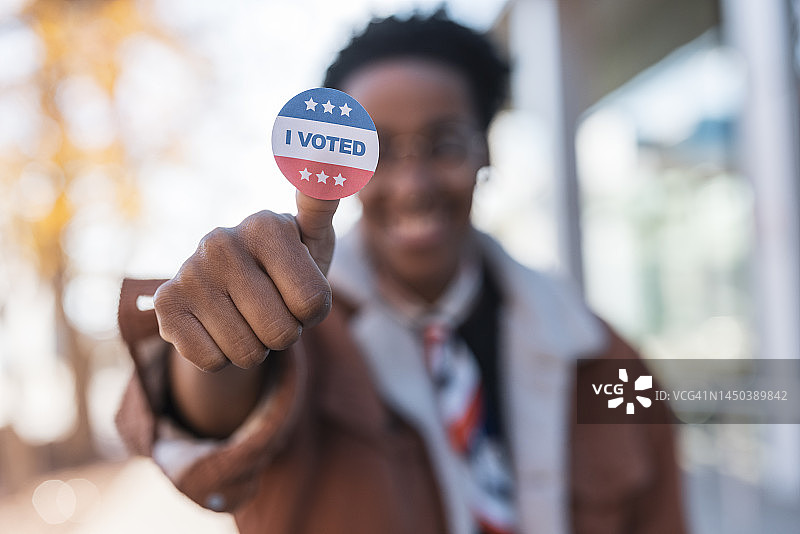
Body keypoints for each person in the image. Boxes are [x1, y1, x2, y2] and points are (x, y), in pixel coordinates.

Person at [116, 11, 687, 534]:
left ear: (486, 152)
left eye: (444, 144)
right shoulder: (300, 340)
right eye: (378, 152)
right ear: (339, 165)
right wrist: (220, 343)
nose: (413, 186)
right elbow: (212, 430)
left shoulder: (602, 356)